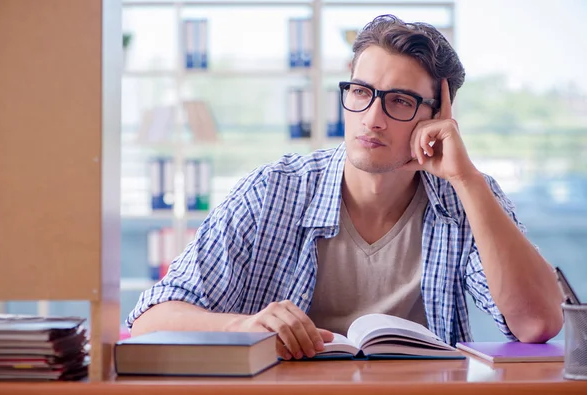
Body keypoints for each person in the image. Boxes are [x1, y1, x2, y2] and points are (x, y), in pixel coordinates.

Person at [128, 14, 563, 360]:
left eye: (399, 100)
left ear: (439, 115)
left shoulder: (465, 195)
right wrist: (244, 327)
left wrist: (467, 179)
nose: (371, 118)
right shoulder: (273, 191)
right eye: (360, 92)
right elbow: (151, 319)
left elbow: (538, 324)